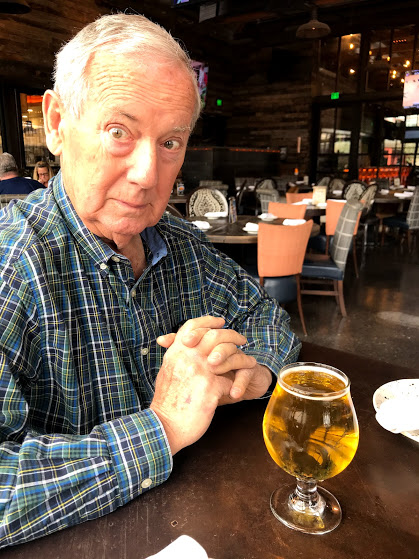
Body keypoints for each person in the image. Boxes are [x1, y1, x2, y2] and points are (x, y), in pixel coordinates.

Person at [0, 13, 301, 549]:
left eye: (170, 142)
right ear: (57, 122)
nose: (147, 175)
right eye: (119, 131)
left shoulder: (179, 242)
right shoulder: (12, 266)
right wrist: (161, 428)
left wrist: (256, 371)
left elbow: (263, 312)